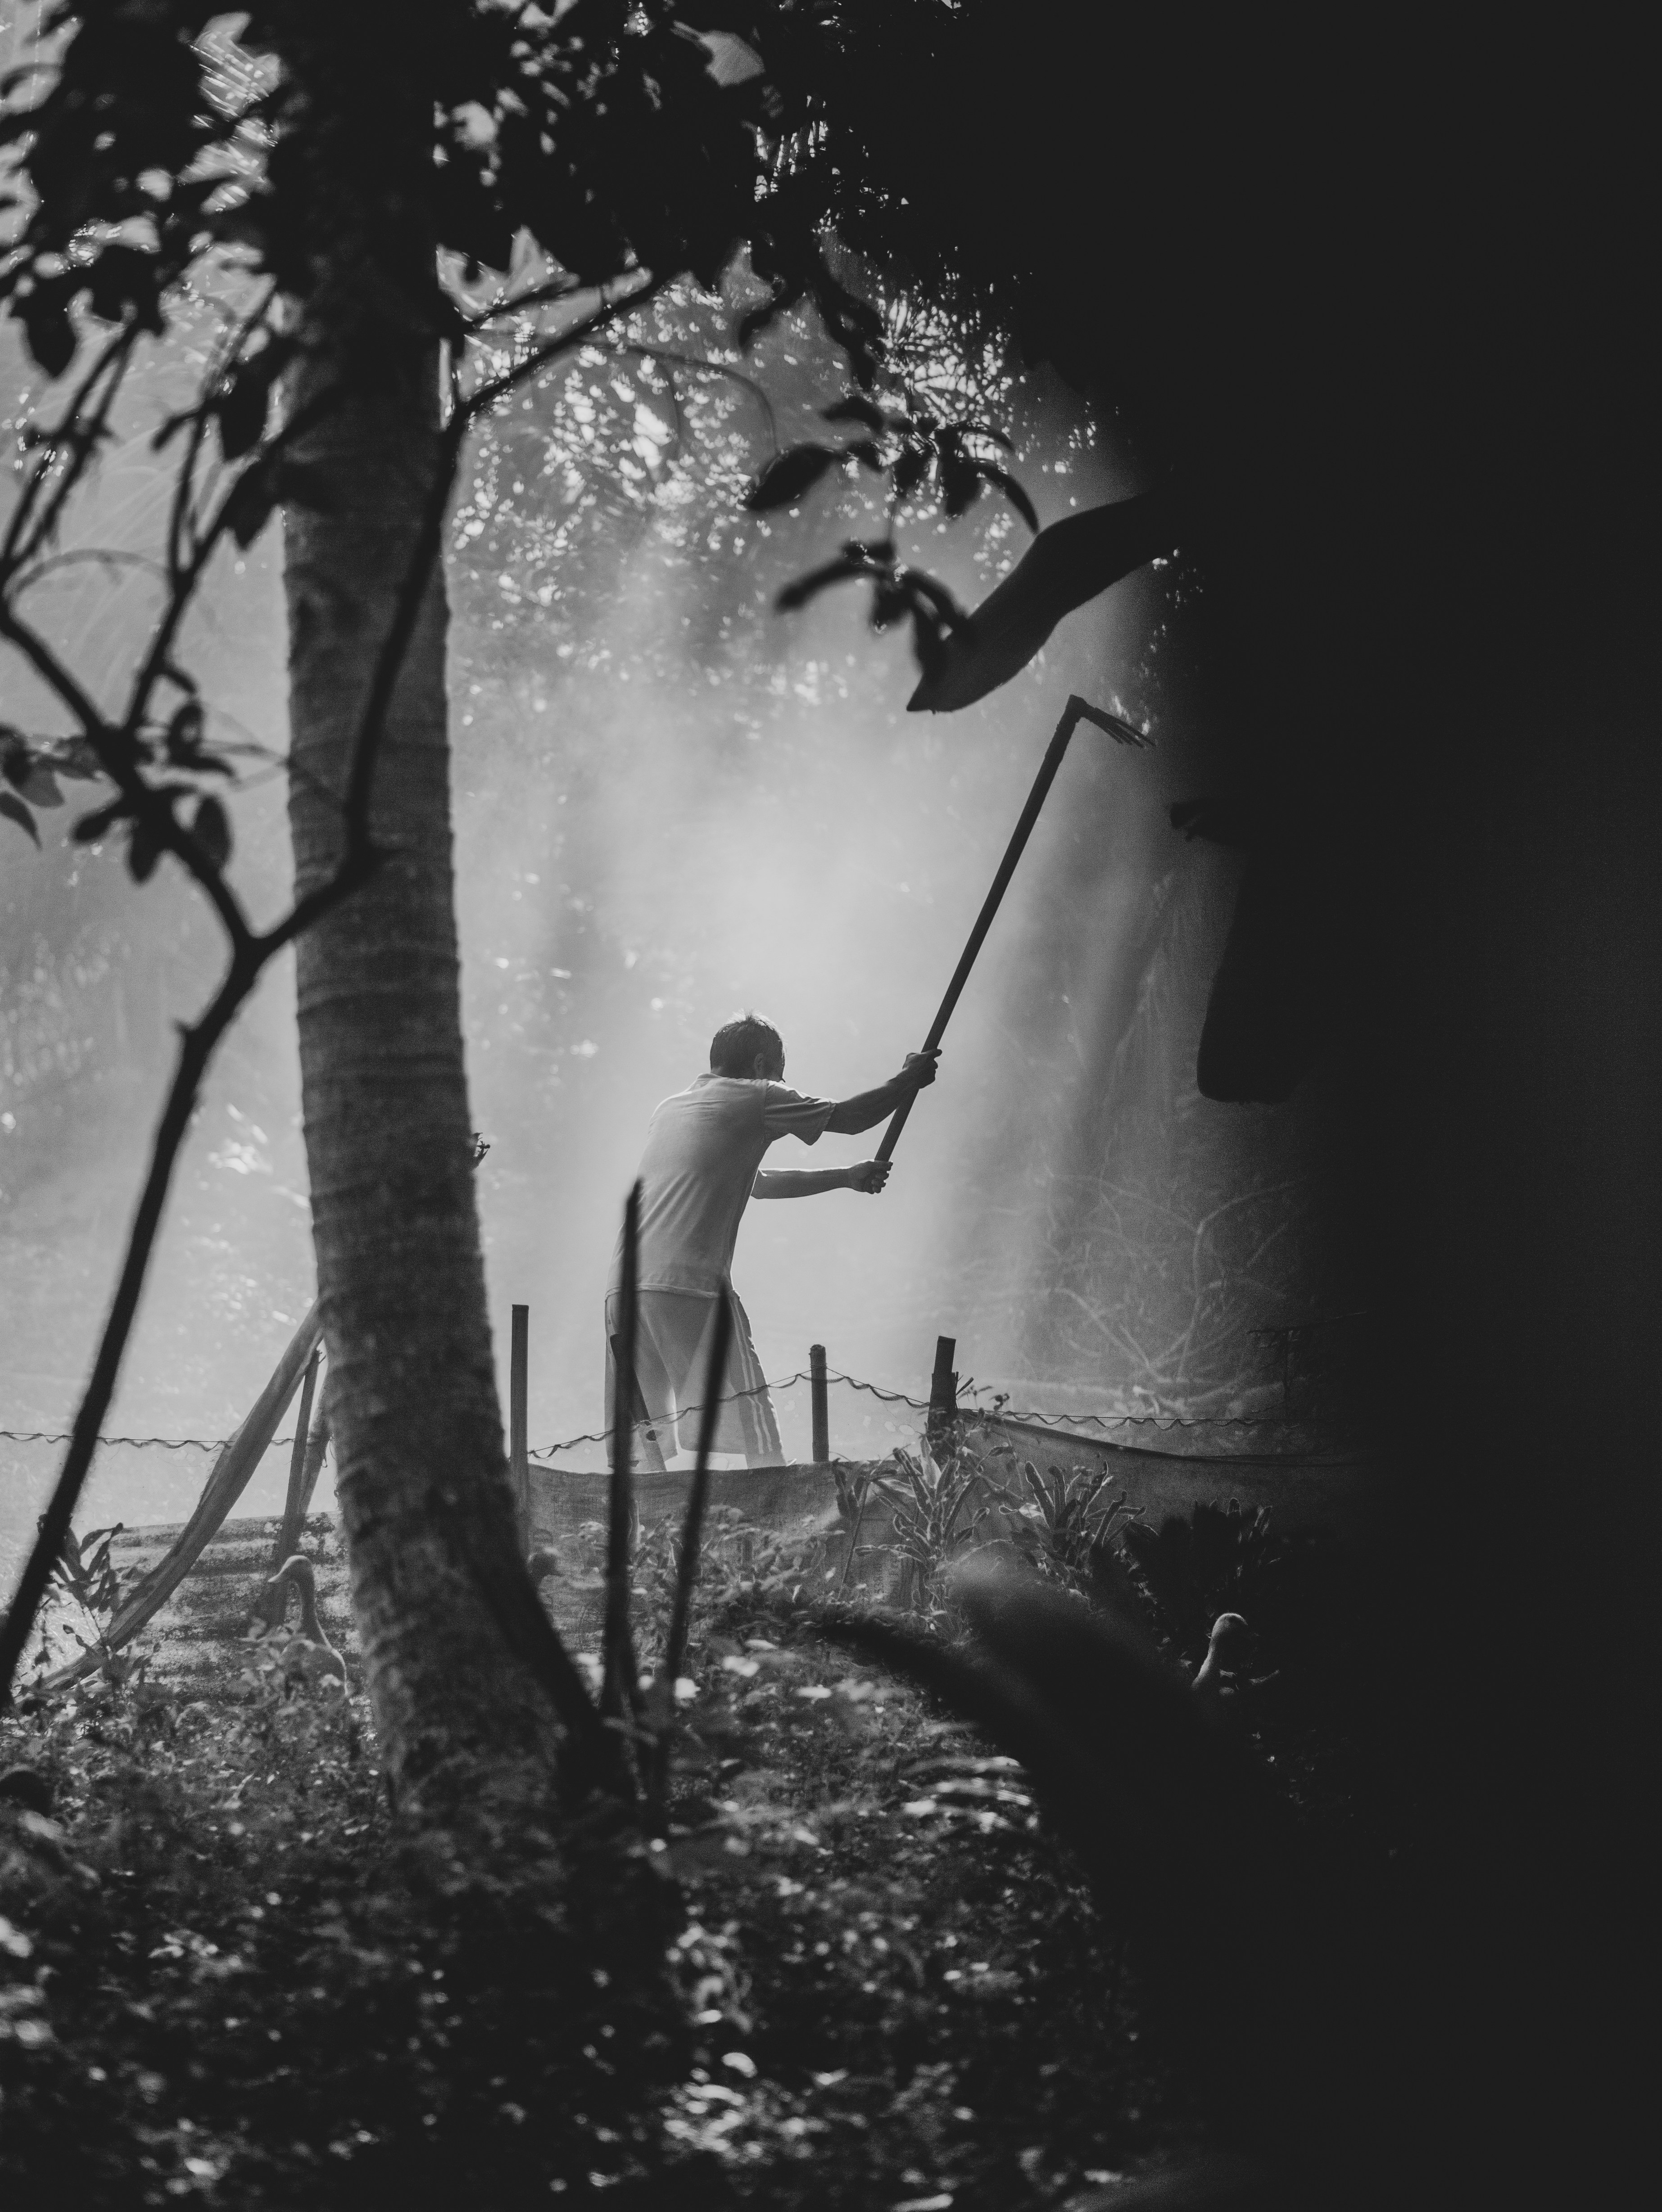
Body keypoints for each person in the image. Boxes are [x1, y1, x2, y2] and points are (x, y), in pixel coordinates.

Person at [605, 1012, 938, 1467]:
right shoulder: (759, 1095)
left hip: (623, 1290)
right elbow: (854, 1118)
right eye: (781, 1072)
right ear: (762, 1064)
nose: (784, 1082)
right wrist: (907, 1081)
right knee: (756, 1427)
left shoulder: (670, 1108)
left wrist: (846, 1176)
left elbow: (757, 1183)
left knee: (645, 1445)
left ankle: (648, 1538)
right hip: (690, 1285)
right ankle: (774, 1530)